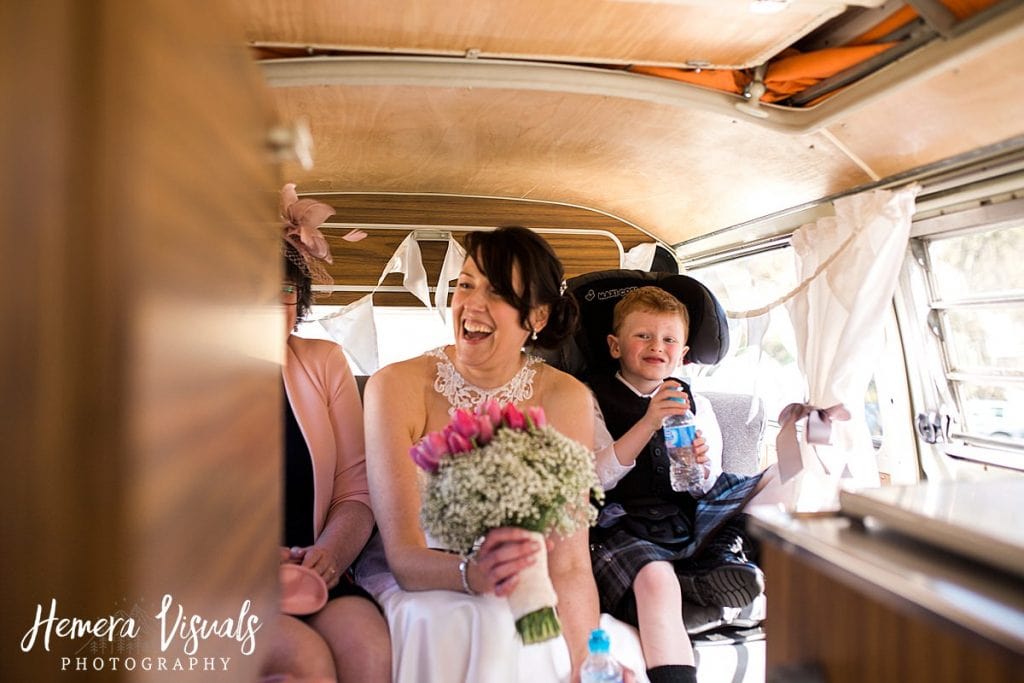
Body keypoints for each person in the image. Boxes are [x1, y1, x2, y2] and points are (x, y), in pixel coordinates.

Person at [359, 226, 647, 682]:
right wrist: (477, 575)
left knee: (551, 638)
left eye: (495, 291)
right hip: (420, 583)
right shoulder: (394, 386)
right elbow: (403, 558)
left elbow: (569, 563)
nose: (471, 304)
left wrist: (586, 662)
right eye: (465, 284)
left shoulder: (566, 397)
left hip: (525, 584)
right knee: (473, 622)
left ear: (536, 316)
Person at [587, 286, 765, 683]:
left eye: (669, 339)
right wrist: (648, 421)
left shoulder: (692, 400)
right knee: (656, 577)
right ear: (615, 346)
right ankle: (688, 585)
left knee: (773, 479)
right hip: (622, 522)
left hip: (680, 516)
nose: (657, 346)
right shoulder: (591, 396)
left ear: (683, 354)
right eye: (643, 336)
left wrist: (699, 463)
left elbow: (703, 485)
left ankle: (719, 560)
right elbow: (594, 478)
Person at [262, 186, 391, 682]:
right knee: (303, 661)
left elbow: (357, 490)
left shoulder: (324, 362)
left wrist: (331, 557)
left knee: (369, 650)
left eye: (284, 291)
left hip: (316, 572)